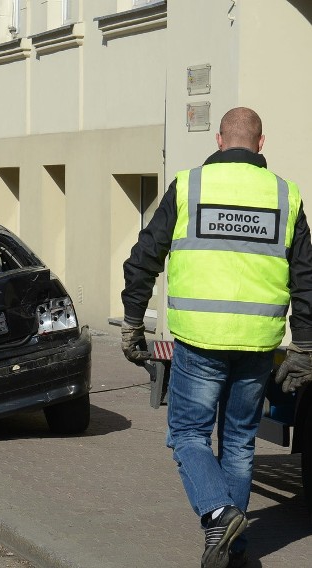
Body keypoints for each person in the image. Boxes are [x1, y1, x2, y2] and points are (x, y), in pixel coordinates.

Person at [121, 107, 312, 568]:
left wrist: (132, 322)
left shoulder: (190, 186)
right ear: (261, 143)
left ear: (220, 139)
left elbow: (145, 256)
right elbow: (305, 277)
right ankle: (234, 551)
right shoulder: (286, 195)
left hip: (199, 340)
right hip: (256, 345)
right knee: (239, 443)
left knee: (187, 435)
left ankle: (218, 512)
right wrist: (304, 345)